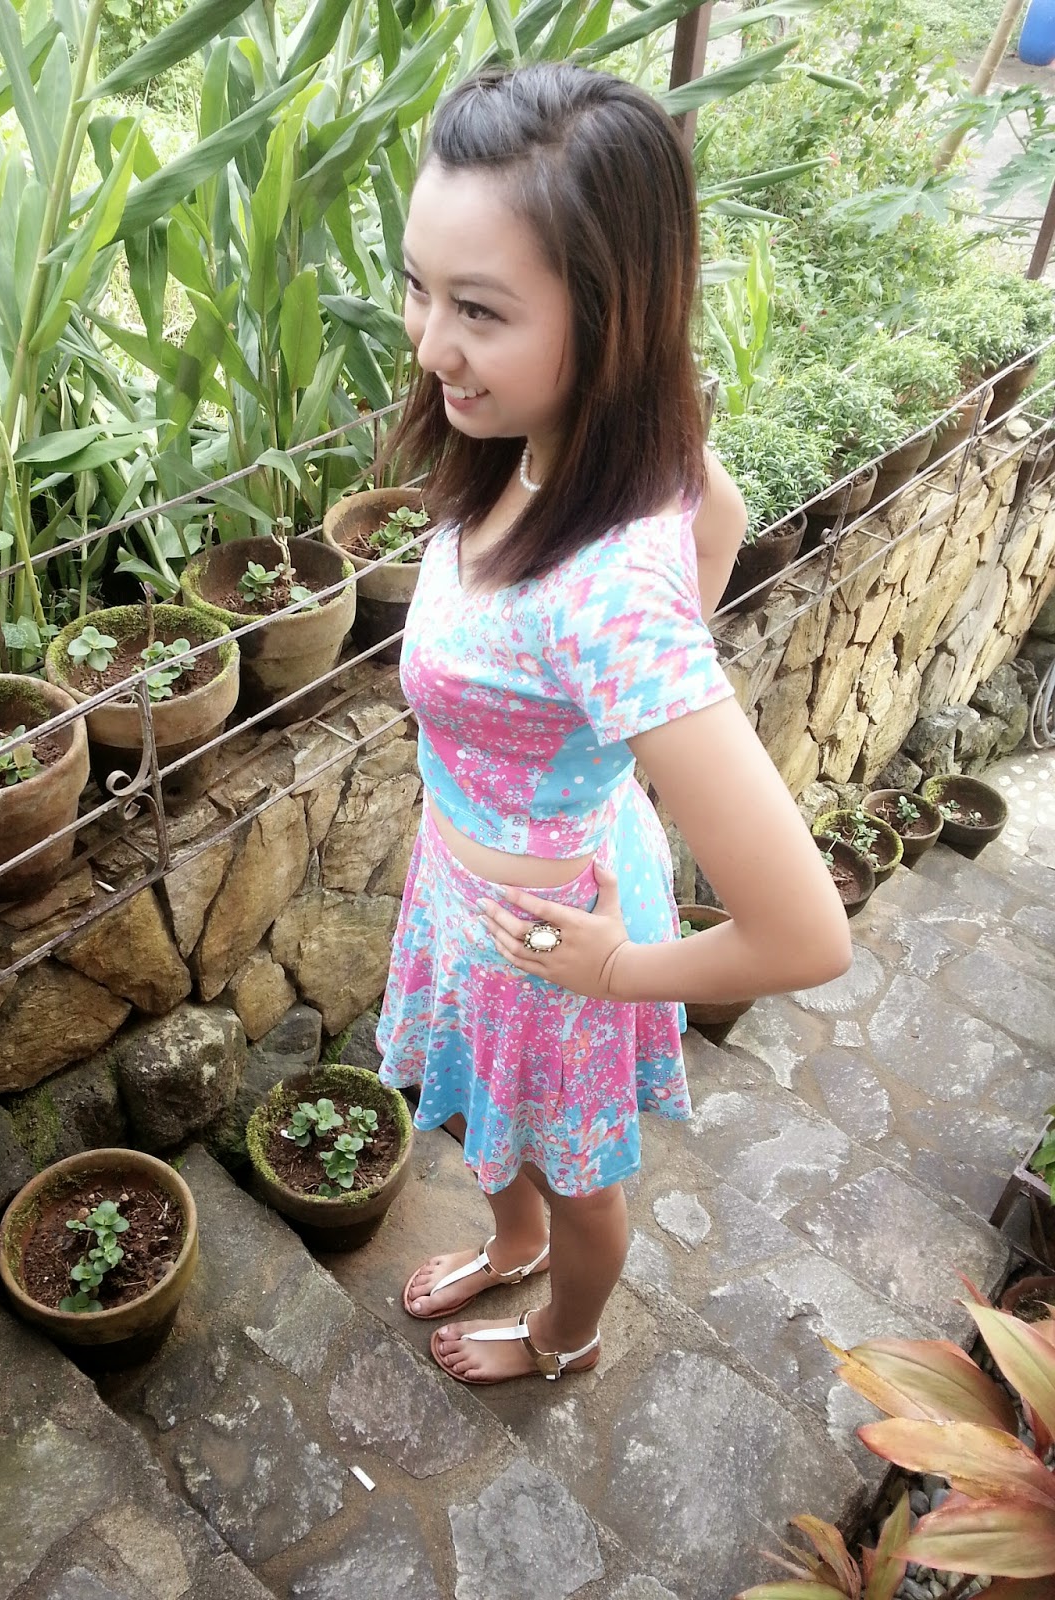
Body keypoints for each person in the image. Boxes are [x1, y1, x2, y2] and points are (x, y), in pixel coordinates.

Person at [374, 62, 852, 1387]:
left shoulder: (607, 597)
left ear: (610, 315)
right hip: (474, 891)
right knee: (498, 1132)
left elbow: (807, 934)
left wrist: (618, 970)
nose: (430, 344)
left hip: (559, 950)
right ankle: (509, 1240)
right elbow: (720, 511)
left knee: (583, 1183)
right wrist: (605, 731)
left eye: (479, 309)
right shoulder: (568, 444)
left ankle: (563, 1337)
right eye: (420, 287)